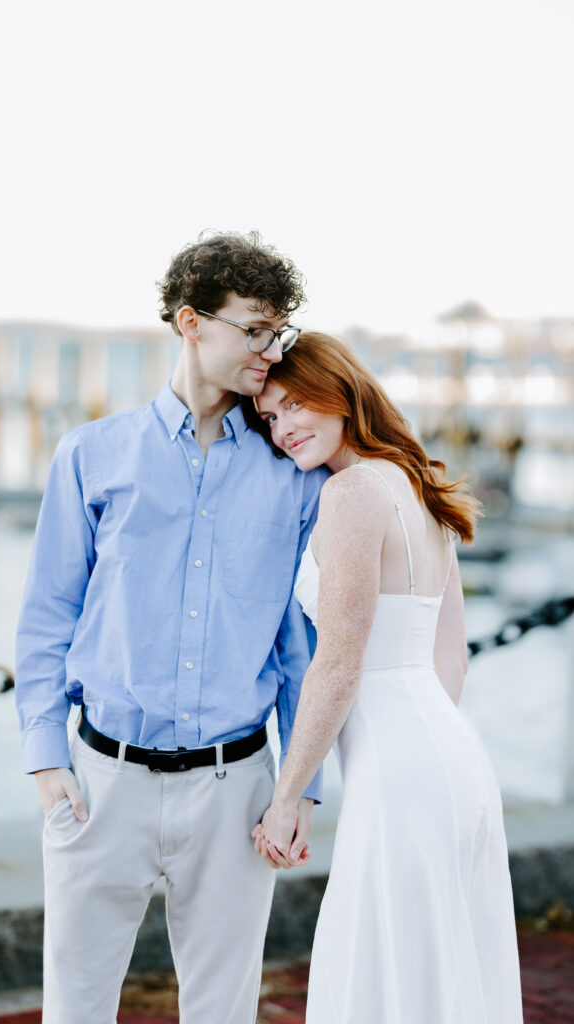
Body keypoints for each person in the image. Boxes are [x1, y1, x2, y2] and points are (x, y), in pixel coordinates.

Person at [14, 232, 327, 1024]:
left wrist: (298, 790)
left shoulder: (291, 472)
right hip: (99, 784)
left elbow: (299, 645)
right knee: (75, 1008)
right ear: (192, 322)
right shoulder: (91, 454)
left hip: (237, 790)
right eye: (253, 329)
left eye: (277, 333)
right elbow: (48, 613)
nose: (270, 350)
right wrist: (48, 762)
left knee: (221, 1011)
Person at [248, 332, 523, 1023]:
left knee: (385, 967)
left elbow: (338, 661)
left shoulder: (349, 493)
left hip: (400, 769)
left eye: (290, 406)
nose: (281, 429)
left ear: (337, 392)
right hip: (449, 753)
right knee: (436, 965)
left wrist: (286, 798)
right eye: (268, 418)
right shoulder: (418, 482)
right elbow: (447, 659)